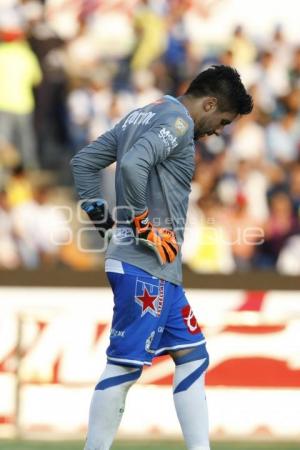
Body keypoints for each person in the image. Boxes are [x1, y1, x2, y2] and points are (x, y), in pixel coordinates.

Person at [71, 65, 253, 450]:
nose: (218, 130)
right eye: (221, 120)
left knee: (193, 355)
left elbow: (83, 163)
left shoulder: (145, 112)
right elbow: (135, 163)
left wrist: (106, 225)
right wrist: (140, 225)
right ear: (209, 103)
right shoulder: (179, 122)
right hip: (143, 267)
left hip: (156, 269)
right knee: (124, 366)